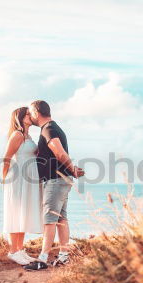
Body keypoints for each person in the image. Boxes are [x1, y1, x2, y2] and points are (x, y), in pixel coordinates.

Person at [24, 100, 84, 271]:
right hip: (61, 179)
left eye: (30, 113)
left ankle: (42, 259)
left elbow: (59, 152)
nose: (29, 116)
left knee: (49, 219)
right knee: (60, 218)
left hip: (55, 180)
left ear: (36, 112)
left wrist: (72, 169)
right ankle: (64, 256)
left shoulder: (48, 129)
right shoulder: (53, 127)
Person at [1, 106, 43, 265]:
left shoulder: (28, 136)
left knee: (23, 213)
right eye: (26, 114)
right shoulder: (17, 135)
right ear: (19, 118)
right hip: (17, 179)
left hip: (28, 179)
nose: (30, 116)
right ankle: (13, 251)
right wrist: (4, 181)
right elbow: (6, 158)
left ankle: (19, 249)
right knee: (16, 212)